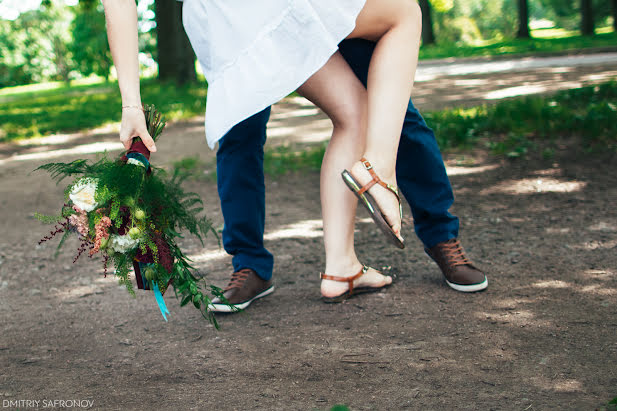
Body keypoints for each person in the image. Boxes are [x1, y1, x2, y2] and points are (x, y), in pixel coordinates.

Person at [103, 0, 488, 312]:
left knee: (384, 107)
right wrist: (130, 104)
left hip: (236, 17)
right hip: (234, 16)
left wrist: (131, 104)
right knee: (399, 25)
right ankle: (254, 264)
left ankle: (403, 246)